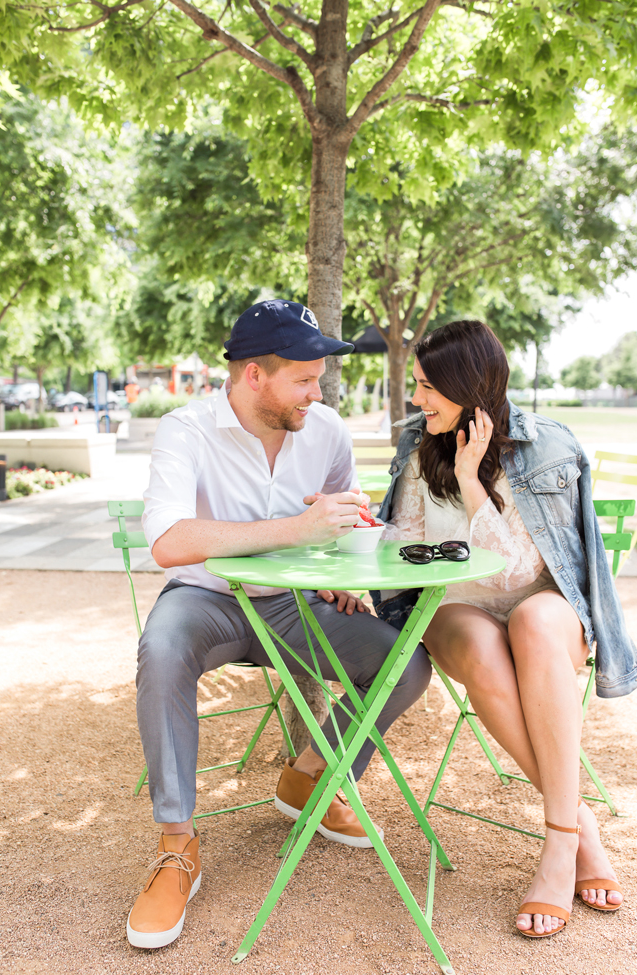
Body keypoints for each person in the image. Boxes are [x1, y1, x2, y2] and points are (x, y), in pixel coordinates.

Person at [127, 299, 431, 949]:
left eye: (319, 378)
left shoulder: (326, 430)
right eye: (304, 379)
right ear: (253, 376)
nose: (317, 393)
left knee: (407, 661)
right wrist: (297, 531)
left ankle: (312, 772)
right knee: (161, 647)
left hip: (294, 603)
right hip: (207, 597)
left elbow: (342, 522)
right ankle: (177, 845)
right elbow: (172, 541)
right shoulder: (186, 429)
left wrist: (338, 569)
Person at [374, 320, 634, 939]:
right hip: (453, 604)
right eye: (416, 386)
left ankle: (558, 842)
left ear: (469, 386)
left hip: (541, 606)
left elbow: (517, 570)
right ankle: (578, 824)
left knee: (534, 621)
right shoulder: (418, 446)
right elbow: (405, 543)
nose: (417, 400)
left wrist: (469, 483)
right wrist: (369, 534)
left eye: (428, 387)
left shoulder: (550, 448)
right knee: (487, 645)